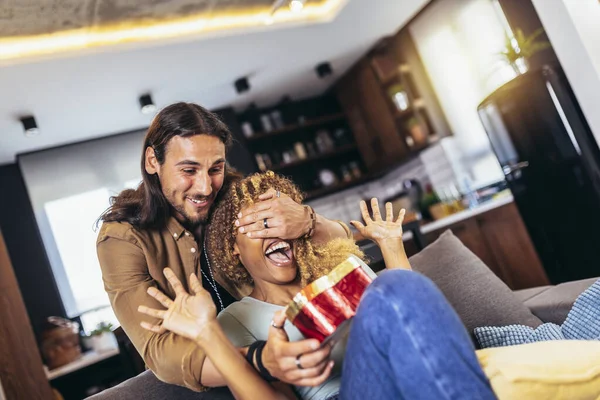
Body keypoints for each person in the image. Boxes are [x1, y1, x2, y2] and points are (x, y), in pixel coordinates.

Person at [138, 172, 496, 400]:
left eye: (279, 219)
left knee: (394, 286)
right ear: (232, 246)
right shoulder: (237, 319)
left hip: (403, 372)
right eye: (259, 224)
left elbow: (415, 321)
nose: (274, 231)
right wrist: (207, 334)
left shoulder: (342, 270)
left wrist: (391, 247)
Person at [96, 103, 352, 391]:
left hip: (280, 353)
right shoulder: (121, 237)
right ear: (153, 161)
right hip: (212, 376)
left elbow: (345, 239)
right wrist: (261, 360)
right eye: (189, 170)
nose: (205, 187)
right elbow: (160, 350)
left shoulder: (235, 195)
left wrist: (309, 220)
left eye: (215, 168)